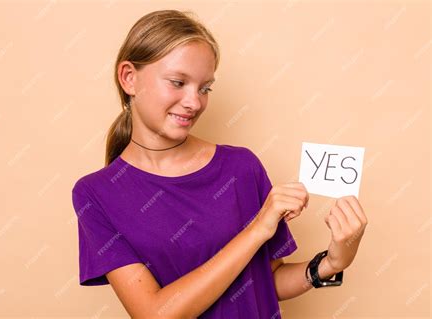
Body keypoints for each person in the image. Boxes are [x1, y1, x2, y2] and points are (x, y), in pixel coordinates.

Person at [71, 9, 368, 319]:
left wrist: (332, 262)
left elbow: (265, 282)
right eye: (177, 82)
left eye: (204, 88)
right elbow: (155, 314)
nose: (194, 102)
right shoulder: (96, 194)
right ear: (129, 78)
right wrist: (256, 230)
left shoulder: (241, 167)